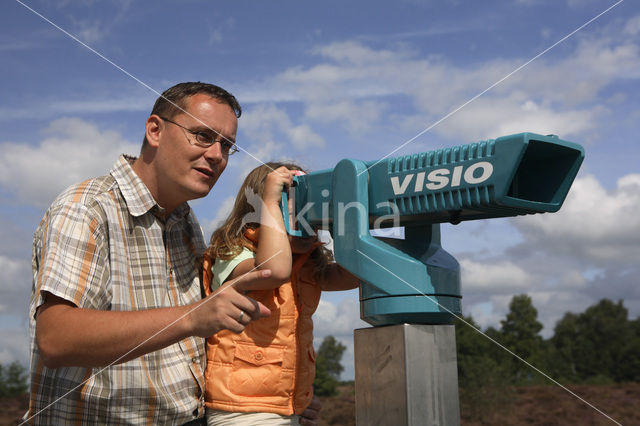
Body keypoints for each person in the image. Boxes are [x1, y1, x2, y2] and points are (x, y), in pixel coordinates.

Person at [25, 82, 320, 425]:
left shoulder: (183, 220)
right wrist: (193, 316)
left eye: (227, 145)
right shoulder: (86, 209)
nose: (217, 155)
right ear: (154, 130)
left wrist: (270, 406)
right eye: (203, 136)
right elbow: (57, 339)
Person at [202, 162, 360, 425]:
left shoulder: (307, 265)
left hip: (286, 408)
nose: (308, 220)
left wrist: (342, 220)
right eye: (295, 210)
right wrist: (272, 202)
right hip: (240, 408)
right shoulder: (235, 255)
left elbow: (353, 274)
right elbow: (273, 270)